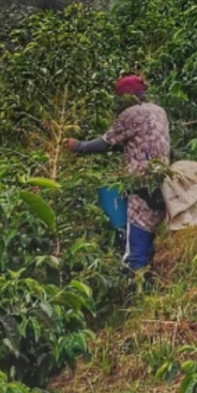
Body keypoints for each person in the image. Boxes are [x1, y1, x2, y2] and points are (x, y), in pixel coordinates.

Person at [65, 75, 171, 272]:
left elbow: (105, 143)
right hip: (163, 184)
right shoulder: (160, 111)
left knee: (135, 250)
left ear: (126, 97)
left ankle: (135, 291)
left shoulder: (130, 114)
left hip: (140, 187)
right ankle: (153, 283)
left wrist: (78, 146)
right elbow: (141, 142)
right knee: (153, 238)